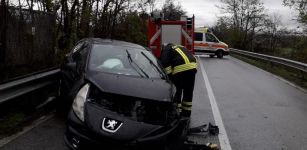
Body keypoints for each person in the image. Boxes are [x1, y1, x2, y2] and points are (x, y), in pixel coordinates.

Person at [159, 43, 197, 117]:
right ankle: (186, 114)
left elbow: (165, 65)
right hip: (192, 67)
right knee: (188, 91)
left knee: (177, 90)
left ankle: (177, 112)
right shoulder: (179, 46)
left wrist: (170, 78)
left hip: (180, 68)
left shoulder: (166, 50)